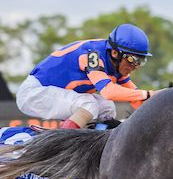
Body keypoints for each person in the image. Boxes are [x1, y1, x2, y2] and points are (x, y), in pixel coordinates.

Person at [16, 24, 160, 129]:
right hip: (34, 93)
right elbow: (109, 92)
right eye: (132, 59)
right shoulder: (93, 54)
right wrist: (149, 94)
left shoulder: (116, 65)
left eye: (140, 60)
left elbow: (136, 98)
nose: (136, 65)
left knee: (107, 108)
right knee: (88, 104)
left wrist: (160, 101)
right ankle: (60, 146)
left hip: (53, 93)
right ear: (115, 53)